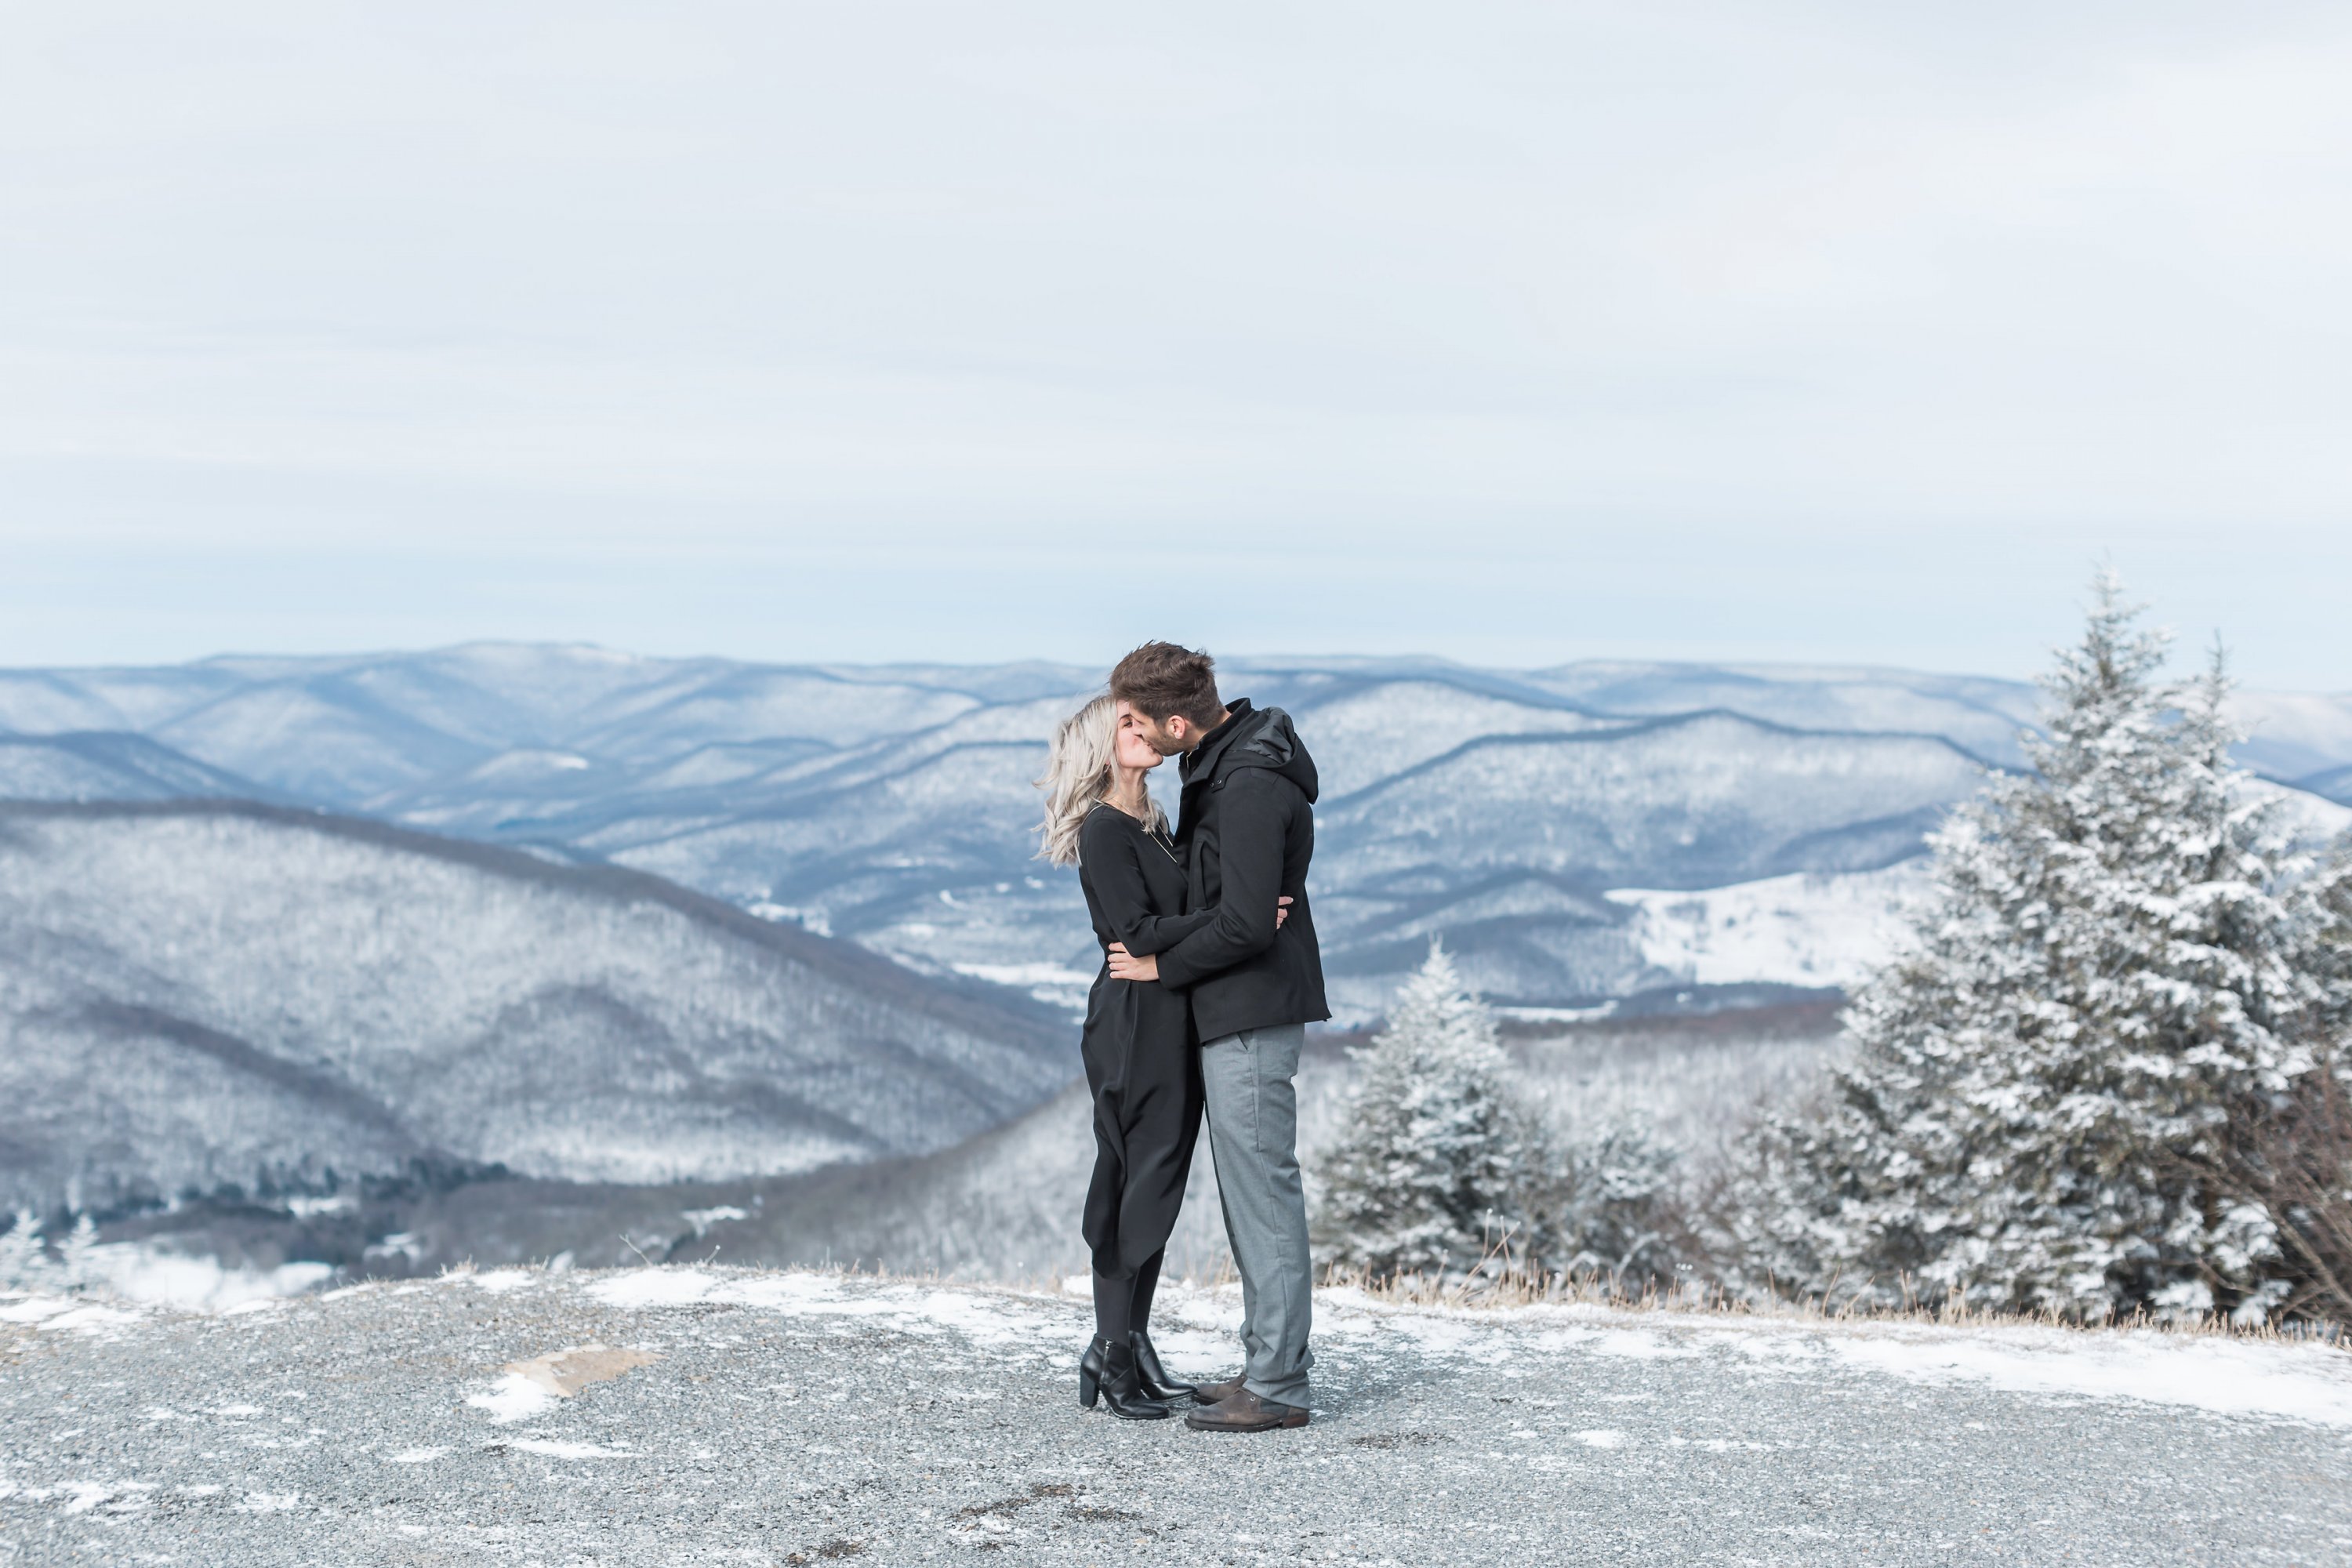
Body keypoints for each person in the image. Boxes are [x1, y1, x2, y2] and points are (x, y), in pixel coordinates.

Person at [1033, 693, 1290, 1421]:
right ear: (1100, 745)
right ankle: (1111, 1353)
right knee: (1133, 1183)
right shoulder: (1104, 831)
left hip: (1170, 1014)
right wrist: (1237, 918)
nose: (1141, 727)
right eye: (1125, 722)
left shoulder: (1153, 821)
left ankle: (1131, 1342)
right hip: (1132, 1023)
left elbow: (1166, 925)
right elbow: (1137, 935)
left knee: (1160, 1187)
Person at [1106, 641, 1327, 1434]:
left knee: (1264, 1194)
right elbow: (1235, 906)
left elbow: (1245, 922)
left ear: (1175, 720)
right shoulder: (1221, 762)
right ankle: (1265, 1364)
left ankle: (1278, 1385)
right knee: (1251, 1195)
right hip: (1234, 1004)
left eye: (1136, 719)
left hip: (1253, 1010)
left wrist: (1157, 962)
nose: (1127, 729)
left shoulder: (1246, 784)